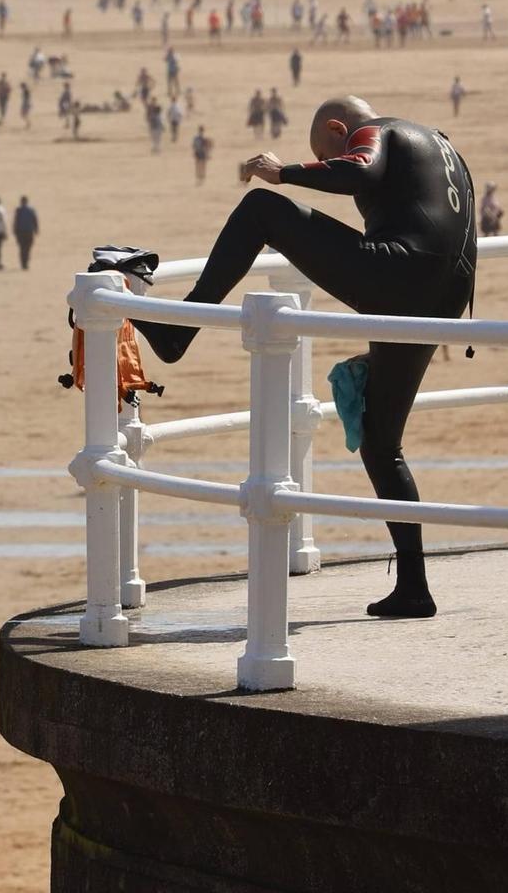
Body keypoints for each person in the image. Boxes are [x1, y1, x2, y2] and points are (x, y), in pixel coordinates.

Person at [135, 96, 476, 622]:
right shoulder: (442, 145)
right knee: (382, 443)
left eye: (326, 149)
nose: (327, 158)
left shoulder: (375, 132)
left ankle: (178, 331)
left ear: (340, 129)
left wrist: (286, 172)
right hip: (442, 301)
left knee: (261, 210)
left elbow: (361, 169)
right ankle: (413, 586)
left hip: (399, 278)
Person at [12, 196, 39, 271]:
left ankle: (23, 263)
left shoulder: (18, 210)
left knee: (22, 248)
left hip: (21, 232)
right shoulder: (31, 210)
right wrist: (36, 229)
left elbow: (16, 221)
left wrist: (14, 230)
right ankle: (25, 263)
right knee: (27, 248)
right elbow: (35, 220)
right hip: (28, 231)